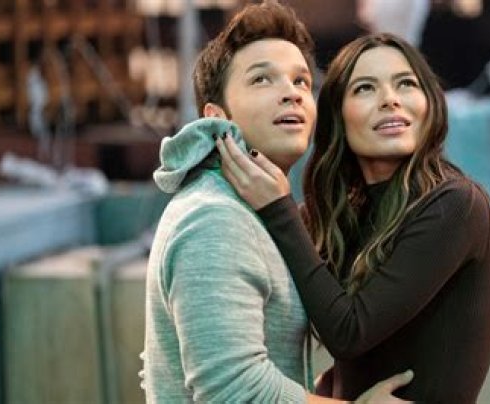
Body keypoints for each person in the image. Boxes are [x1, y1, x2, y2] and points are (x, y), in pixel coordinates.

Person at [143, 4, 412, 403]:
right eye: (262, 79)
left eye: (301, 80)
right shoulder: (214, 219)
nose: (292, 92)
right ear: (216, 116)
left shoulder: (250, 209)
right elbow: (233, 391)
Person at [217, 32, 490, 403]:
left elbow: (349, 333)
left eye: (406, 83)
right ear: (338, 116)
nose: (390, 99)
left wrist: (277, 208)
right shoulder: (342, 216)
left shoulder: (456, 206)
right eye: (365, 88)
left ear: (429, 103)